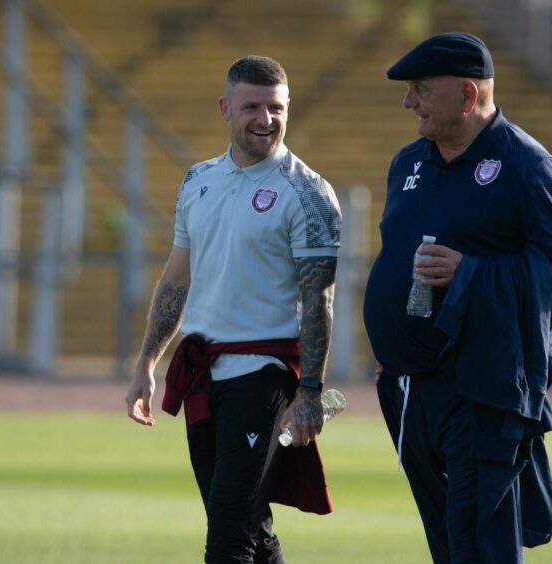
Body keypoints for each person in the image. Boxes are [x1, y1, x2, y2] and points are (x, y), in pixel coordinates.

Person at [363, 32, 552, 563]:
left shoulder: (527, 167)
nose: (408, 101)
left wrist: (473, 271)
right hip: (410, 388)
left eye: (420, 89)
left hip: (482, 387)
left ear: (468, 95)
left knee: (478, 545)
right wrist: (394, 345)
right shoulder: (408, 163)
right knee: (448, 543)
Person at [124, 55, 342, 564]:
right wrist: (146, 364)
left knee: (228, 537)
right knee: (250, 527)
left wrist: (310, 390)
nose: (265, 119)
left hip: (263, 377)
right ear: (225, 109)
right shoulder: (198, 179)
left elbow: (319, 300)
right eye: (252, 107)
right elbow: (177, 277)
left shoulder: (309, 193)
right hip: (201, 374)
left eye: (276, 107)